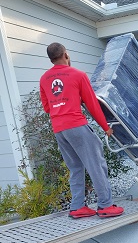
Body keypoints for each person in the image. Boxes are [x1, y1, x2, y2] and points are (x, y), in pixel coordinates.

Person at [40, 42, 124, 219]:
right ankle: (105, 205)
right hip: (76, 125)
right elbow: (92, 104)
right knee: (96, 164)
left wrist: (62, 103)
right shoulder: (78, 75)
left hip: (59, 129)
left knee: (75, 167)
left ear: (51, 59)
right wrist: (106, 127)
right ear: (66, 54)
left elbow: (47, 108)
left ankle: (78, 206)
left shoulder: (44, 79)